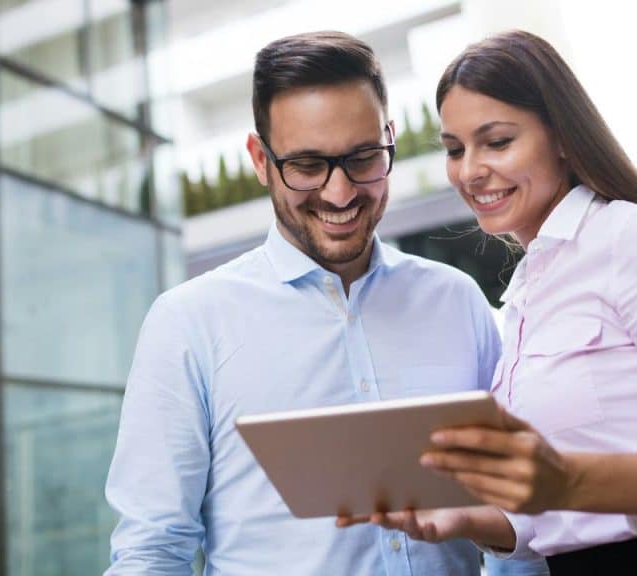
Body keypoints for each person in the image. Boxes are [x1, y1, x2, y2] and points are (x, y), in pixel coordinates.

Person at [339, 30, 637, 575]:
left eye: (496, 142)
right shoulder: (530, 288)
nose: (469, 170)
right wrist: (468, 519)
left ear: (563, 138)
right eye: (455, 149)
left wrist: (571, 479)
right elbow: (561, 518)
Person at [104, 31, 510, 575]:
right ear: (260, 159)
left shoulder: (455, 301)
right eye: (306, 165)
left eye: (363, 157)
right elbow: (153, 553)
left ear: (388, 139)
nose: (340, 193)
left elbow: (512, 515)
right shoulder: (189, 324)